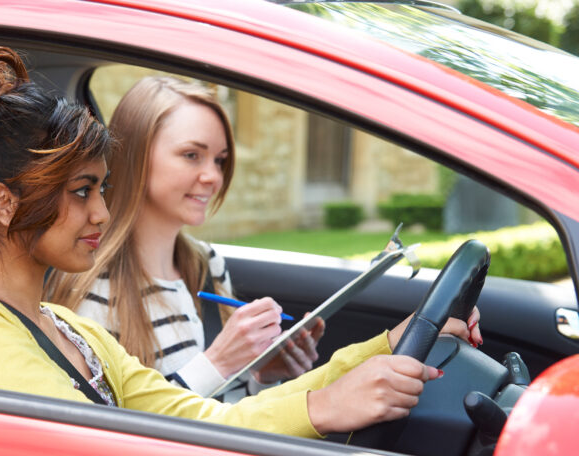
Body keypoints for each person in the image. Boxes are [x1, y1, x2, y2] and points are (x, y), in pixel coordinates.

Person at [0, 45, 480, 439]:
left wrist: (384, 347)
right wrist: (323, 408)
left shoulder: (71, 329)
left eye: (102, 188)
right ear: (3, 203)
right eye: (82, 191)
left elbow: (208, 421)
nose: (100, 210)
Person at [45, 77, 482, 399]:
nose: (212, 176)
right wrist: (220, 361)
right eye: (191, 155)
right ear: (136, 156)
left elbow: (226, 406)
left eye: (219, 159)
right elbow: (110, 427)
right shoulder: (94, 289)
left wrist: (261, 372)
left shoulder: (205, 262)